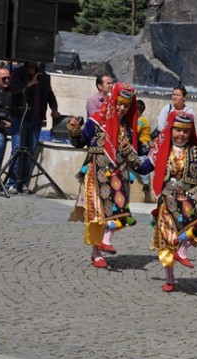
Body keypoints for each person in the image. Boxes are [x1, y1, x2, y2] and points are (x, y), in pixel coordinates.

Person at [128, 112, 197, 292]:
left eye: (186, 131)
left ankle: (182, 249)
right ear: (171, 130)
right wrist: (127, 153)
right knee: (165, 241)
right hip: (168, 199)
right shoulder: (160, 149)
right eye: (178, 130)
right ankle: (170, 279)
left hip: (191, 196)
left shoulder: (196, 151)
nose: (181, 134)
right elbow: (144, 167)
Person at [66, 82, 141, 269]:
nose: (122, 108)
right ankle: (96, 252)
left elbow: (136, 150)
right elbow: (80, 142)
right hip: (96, 172)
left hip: (119, 173)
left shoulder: (129, 127)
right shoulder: (97, 120)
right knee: (97, 213)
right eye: (119, 103)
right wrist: (74, 130)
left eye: (126, 105)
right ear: (112, 101)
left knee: (118, 210)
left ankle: (106, 239)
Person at [7, 61, 60, 194]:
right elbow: (14, 90)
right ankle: (12, 183)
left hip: (36, 119)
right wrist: (30, 84)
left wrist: (54, 109)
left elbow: (50, 95)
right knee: (17, 149)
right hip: (19, 117)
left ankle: (23, 182)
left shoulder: (44, 77)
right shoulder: (17, 73)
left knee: (30, 151)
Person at [136, 100, 152, 192]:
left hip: (143, 145)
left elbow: (136, 132)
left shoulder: (141, 120)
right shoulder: (140, 119)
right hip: (141, 144)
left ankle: (146, 183)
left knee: (141, 162)